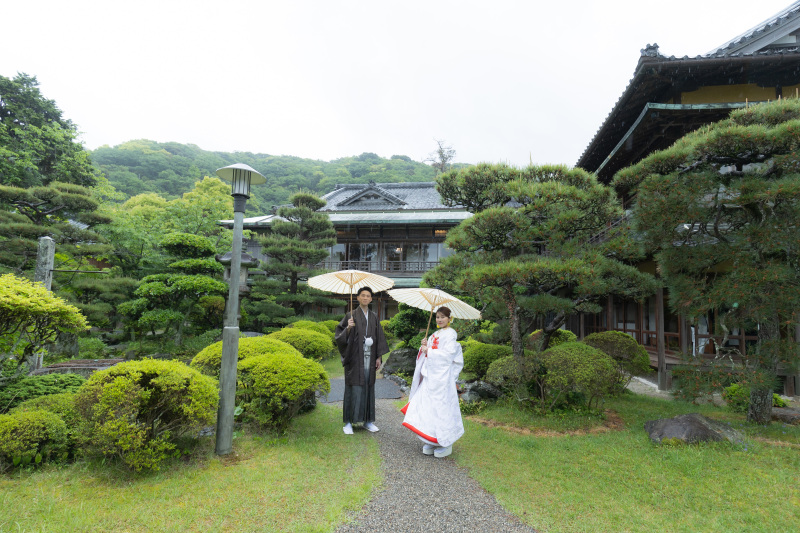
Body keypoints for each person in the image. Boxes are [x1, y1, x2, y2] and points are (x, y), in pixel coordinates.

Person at [401, 306, 464, 458]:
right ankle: (430, 439)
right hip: (431, 378)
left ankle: (445, 442)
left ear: (450, 319)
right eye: (437, 316)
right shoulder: (434, 334)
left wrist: (429, 351)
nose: (439, 319)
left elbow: (448, 355)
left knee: (441, 409)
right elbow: (428, 354)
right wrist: (424, 346)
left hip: (442, 380)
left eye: (443, 317)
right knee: (427, 408)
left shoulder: (451, 334)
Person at [334, 286, 389, 435]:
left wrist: (378, 356)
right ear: (357, 298)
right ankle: (348, 422)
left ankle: (367, 421)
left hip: (370, 357)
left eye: (368, 296)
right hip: (355, 358)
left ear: (371, 299)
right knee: (354, 387)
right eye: (362, 295)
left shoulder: (374, 317)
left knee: (368, 386)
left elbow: (379, 338)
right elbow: (339, 336)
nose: (365, 298)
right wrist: (348, 328)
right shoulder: (350, 315)